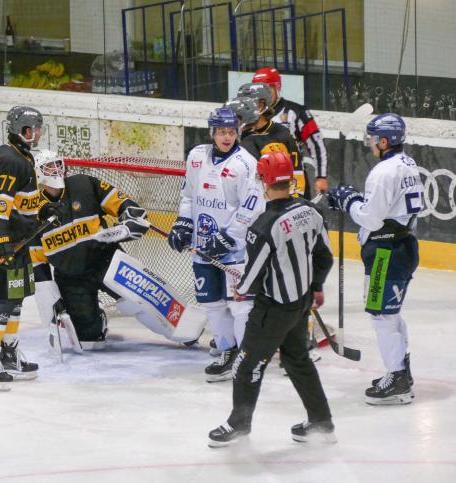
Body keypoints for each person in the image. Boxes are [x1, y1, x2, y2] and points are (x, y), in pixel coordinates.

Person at [208, 152, 335, 447]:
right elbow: (324, 256)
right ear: (291, 179)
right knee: (297, 360)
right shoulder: (309, 211)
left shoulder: (263, 226)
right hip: (301, 302)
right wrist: (315, 286)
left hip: (273, 309)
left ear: (263, 180)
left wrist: (241, 288)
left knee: (246, 364)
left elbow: (250, 280)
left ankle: (238, 424)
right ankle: (321, 421)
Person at [31, 150, 206, 352]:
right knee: (89, 343)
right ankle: (97, 321)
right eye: (49, 166)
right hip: (71, 278)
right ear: (38, 173)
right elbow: (38, 263)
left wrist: (130, 214)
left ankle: (186, 326)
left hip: (106, 260)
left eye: (57, 164)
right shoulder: (32, 212)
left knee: (142, 300)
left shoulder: (83, 184)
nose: (56, 170)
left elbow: (119, 201)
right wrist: (52, 300)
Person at [326, 113, 422, 405]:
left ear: (384, 141)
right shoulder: (408, 164)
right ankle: (401, 372)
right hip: (403, 247)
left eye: (372, 138)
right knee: (390, 314)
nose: (369, 143)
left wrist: (348, 201)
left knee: (382, 316)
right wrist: (355, 199)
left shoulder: (383, 172)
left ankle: (397, 378)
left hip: (386, 252)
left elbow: (372, 218)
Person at [167, 108, 265, 382]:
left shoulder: (247, 164)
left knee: (241, 304)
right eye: (221, 132)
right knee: (211, 302)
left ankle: (248, 357)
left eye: (231, 132)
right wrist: (184, 223)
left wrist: (229, 237)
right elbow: (188, 195)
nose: (226, 137)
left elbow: (253, 208)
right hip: (202, 246)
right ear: (212, 132)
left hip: (235, 250)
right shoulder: (197, 156)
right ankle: (227, 349)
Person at [0, 106, 43, 391]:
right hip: (3, 242)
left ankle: (8, 352)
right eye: (36, 128)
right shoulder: (11, 160)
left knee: (15, 298)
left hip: (17, 241)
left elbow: (19, 203)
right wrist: (0, 244)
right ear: (25, 131)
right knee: (2, 301)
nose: (38, 134)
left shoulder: (18, 156)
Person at [252, 67, 329, 194]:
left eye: (268, 89)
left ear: (277, 87)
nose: (263, 95)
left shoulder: (297, 112)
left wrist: (321, 176)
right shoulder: (249, 114)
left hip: (293, 180)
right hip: (259, 180)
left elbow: (316, 143)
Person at [232, 83, 310, 199]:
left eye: (246, 104)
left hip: (275, 204)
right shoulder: (235, 134)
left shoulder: (282, 135)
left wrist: (292, 203)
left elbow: (296, 174)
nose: (240, 109)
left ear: (261, 106)